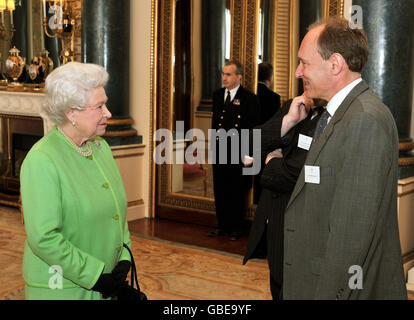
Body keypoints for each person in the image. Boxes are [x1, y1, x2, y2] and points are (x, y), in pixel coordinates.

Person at [282, 17, 407, 299]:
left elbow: (350, 235)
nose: (298, 71)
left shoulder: (364, 119)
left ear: (335, 64)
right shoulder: (340, 113)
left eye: (304, 63)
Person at [20, 62, 132, 300]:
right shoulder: (42, 160)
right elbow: (44, 238)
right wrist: (95, 275)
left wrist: (123, 257)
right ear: (71, 113)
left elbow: (116, 212)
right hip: (62, 288)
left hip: (106, 283)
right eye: (99, 106)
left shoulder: (100, 148)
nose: (108, 113)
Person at [243, 96, 326, 300]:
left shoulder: (336, 116)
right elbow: (246, 153)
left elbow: (303, 174)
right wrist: (287, 121)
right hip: (277, 218)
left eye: (305, 64)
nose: (299, 73)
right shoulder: (295, 105)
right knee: (278, 286)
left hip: (307, 223)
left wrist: (271, 161)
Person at [209, 60, 261, 241]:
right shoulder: (217, 95)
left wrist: (250, 154)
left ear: (238, 77)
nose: (224, 78)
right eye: (223, 74)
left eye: (228, 74)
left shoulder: (249, 98)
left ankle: (237, 227)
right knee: (220, 189)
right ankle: (222, 225)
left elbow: (253, 128)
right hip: (220, 150)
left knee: (237, 190)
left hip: (239, 152)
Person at [253, 62, 282, 203]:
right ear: (270, 77)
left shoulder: (250, 94)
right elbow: (274, 124)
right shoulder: (274, 97)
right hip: (265, 143)